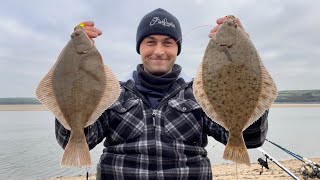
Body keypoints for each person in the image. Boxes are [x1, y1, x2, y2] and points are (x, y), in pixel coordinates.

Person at [55, 8, 269, 180]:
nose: (159, 51)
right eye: (150, 42)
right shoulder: (114, 93)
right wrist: (72, 65)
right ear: (140, 47)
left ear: (177, 49)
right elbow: (75, 141)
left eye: (168, 43)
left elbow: (250, 138)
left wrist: (245, 59)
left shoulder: (197, 93)